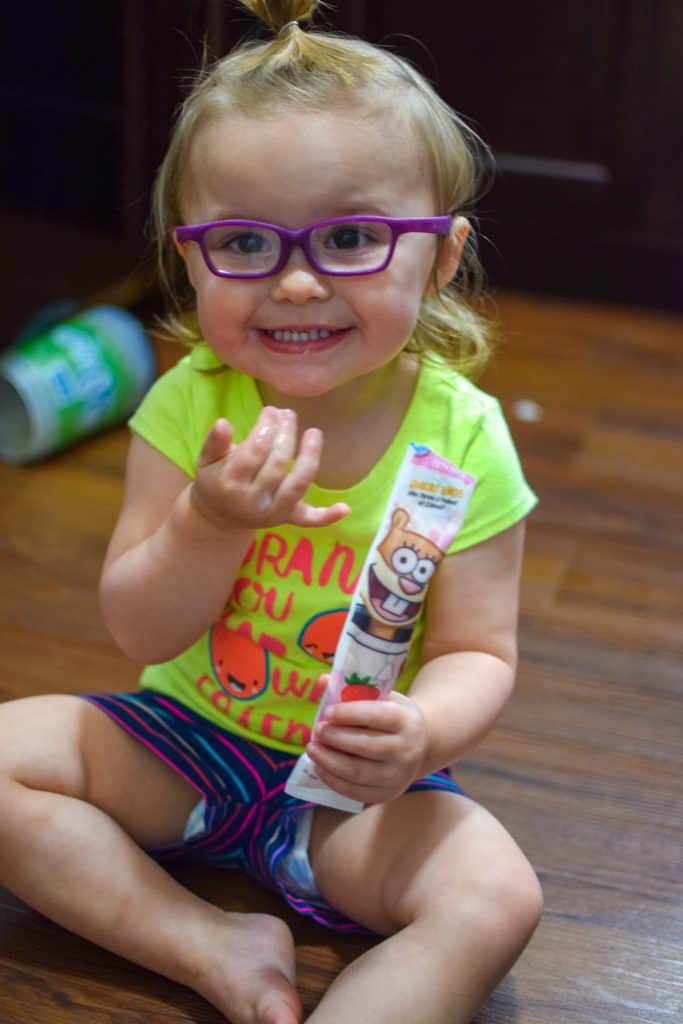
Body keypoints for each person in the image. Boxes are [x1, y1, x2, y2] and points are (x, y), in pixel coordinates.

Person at [0, 2, 543, 1021]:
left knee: (496, 898)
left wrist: (418, 731)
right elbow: (139, 628)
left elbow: (481, 650)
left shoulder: (463, 438)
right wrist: (209, 521)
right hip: (184, 740)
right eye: (245, 241)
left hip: (356, 792)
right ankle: (205, 942)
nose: (297, 281)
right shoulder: (187, 405)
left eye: (349, 236)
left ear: (439, 255)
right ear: (189, 257)